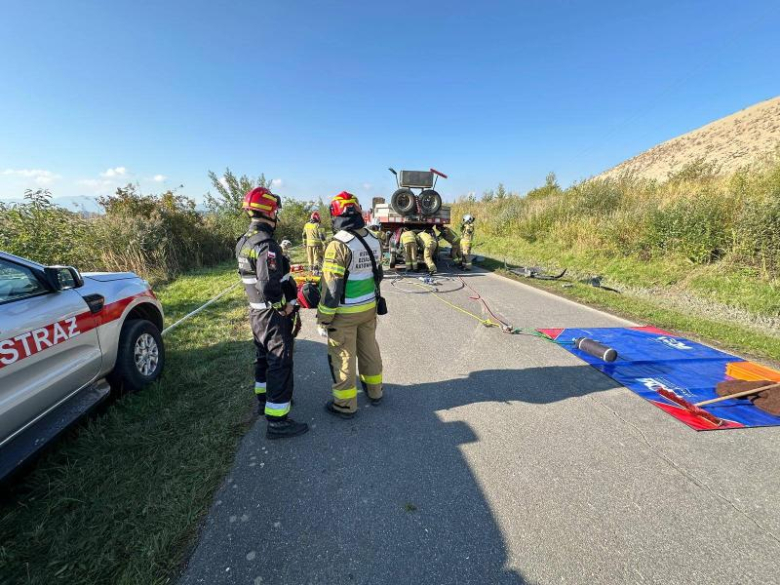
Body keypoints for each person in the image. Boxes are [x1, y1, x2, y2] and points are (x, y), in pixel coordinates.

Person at [236, 187, 308, 439]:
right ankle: (278, 422)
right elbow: (268, 286)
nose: (277, 215)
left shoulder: (244, 241)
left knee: (264, 359)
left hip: (256, 313)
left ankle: (264, 402)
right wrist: (285, 307)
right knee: (279, 362)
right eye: (275, 211)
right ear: (269, 211)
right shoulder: (266, 244)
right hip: (272, 315)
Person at [316, 191, 384, 418]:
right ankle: (375, 392)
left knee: (343, 357)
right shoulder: (374, 239)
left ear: (335, 215)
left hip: (344, 314)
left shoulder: (338, 245)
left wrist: (324, 318)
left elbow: (331, 288)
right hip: (368, 309)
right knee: (369, 350)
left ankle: (345, 405)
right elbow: (378, 274)